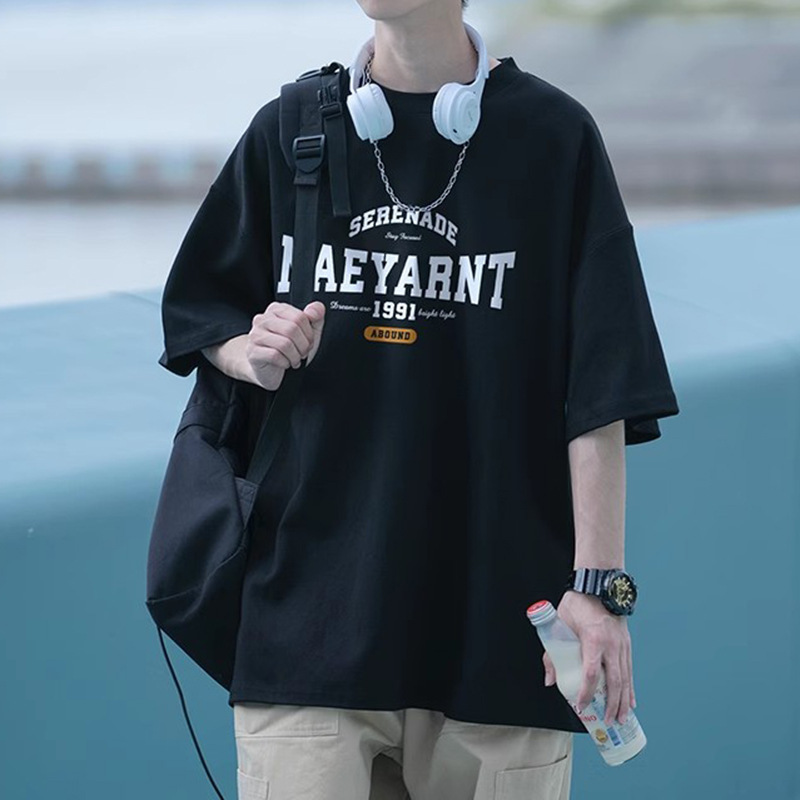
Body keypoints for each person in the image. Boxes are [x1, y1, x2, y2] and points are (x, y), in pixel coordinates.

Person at [157, 0, 680, 797]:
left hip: (502, 629)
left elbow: (600, 390)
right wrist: (249, 353)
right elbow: (204, 315)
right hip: (305, 620)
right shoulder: (291, 129)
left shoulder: (554, 139)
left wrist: (598, 591)